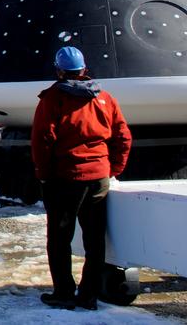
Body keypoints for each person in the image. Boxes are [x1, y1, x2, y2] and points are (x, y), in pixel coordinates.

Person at [31, 46, 131, 311]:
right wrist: (112, 169)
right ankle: (88, 295)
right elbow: (123, 136)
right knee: (95, 240)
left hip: (65, 179)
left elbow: (42, 139)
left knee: (59, 238)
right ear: (84, 69)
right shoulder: (105, 98)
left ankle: (64, 293)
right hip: (98, 178)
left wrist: (44, 175)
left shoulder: (53, 99)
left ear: (59, 71)